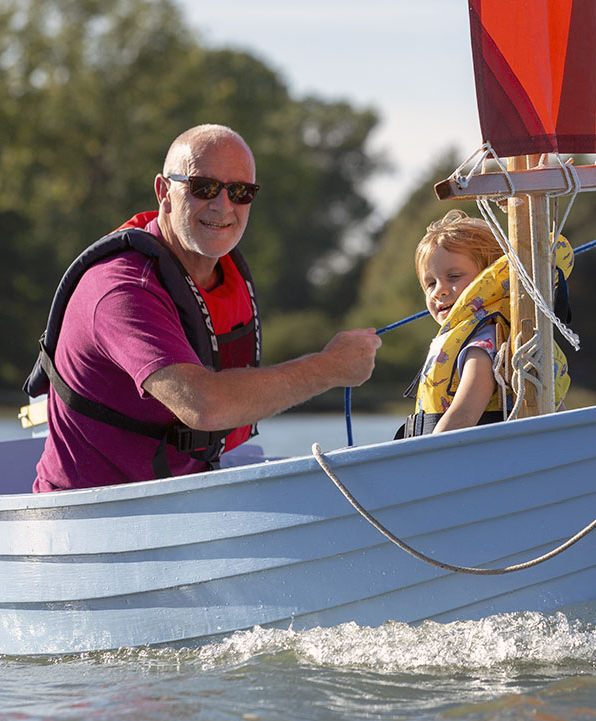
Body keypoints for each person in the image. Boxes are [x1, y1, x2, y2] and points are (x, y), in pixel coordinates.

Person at [29, 124, 381, 491]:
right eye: (204, 187)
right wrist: (329, 367)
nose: (223, 206)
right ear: (164, 193)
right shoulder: (122, 289)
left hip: (181, 501)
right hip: (88, 519)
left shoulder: (219, 270)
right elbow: (203, 407)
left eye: (241, 192)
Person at [401, 210, 573, 437]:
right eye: (430, 283)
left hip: (464, 461)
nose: (439, 291)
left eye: (453, 277)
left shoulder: (486, 342)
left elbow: (464, 415)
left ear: (487, 276)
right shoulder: (478, 334)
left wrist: (423, 460)